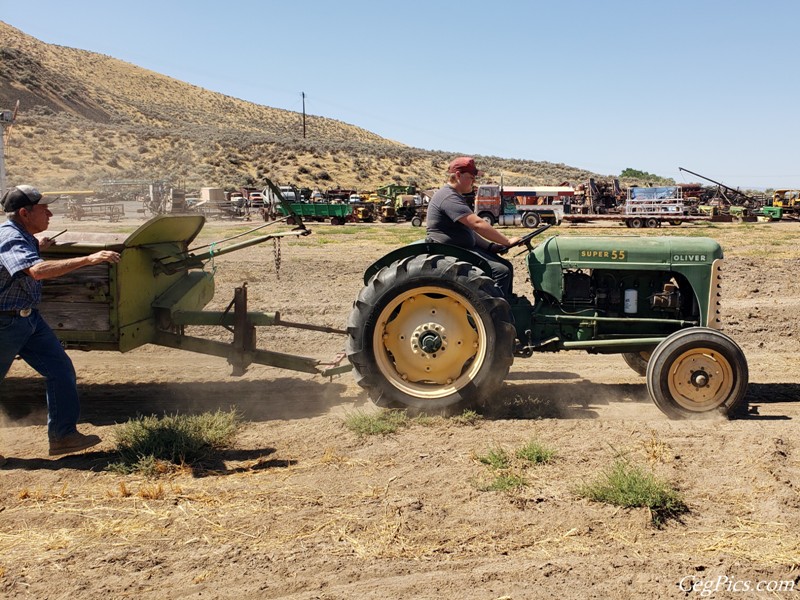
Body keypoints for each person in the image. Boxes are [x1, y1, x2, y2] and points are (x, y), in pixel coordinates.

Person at [0, 185, 121, 459]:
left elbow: (24, 258)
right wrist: (89, 259)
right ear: (24, 212)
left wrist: (38, 246)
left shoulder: (23, 236)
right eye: (44, 210)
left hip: (28, 318)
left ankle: (63, 437)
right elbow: (37, 271)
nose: (50, 214)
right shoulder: (10, 237)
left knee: (60, 370)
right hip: (5, 322)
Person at [426, 157, 521, 297]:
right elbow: (477, 224)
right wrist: (506, 241)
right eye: (471, 177)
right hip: (450, 251)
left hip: (461, 248)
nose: (474, 181)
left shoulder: (455, 195)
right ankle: (497, 315)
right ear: (458, 175)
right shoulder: (448, 197)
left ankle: (508, 305)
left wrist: (491, 247)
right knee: (501, 272)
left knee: (507, 266)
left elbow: (468, 231)